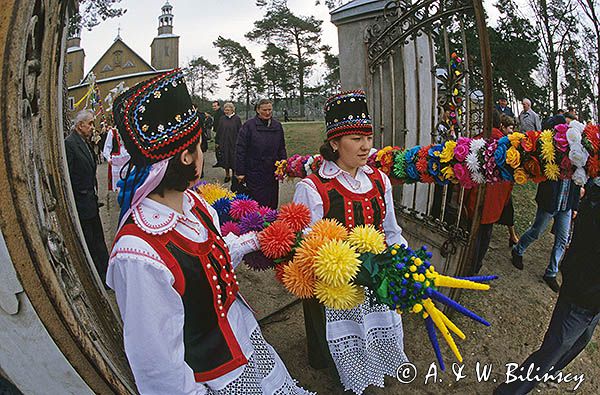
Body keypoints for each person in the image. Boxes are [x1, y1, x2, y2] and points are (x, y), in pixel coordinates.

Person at [107, 69, 312, 395]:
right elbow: (159, 364)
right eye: (201, 147)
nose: (204, 154)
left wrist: (258, 238)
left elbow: (212, 259)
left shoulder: (194, 203)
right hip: (213, 375)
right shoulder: (139, 254)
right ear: (187, 156)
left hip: (241, 338)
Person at [293, 90, 408, 395]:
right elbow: (306, 245)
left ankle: (374, 367)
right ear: (334, 143)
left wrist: (402, 262)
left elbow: (390, 229)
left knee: (376, 329)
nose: (366, 146)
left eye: (368, 137)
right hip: (338, 286)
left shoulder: (379, 180)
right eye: (356, 139)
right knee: (343, 339)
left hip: (376, 279)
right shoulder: (314, 187)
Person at [494, 182, 600, 395]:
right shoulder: (594, 206)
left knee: (579, 341)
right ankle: (511, 391)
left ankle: (549, 372)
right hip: (582, 295)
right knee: (555, 348)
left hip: (593, 300)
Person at [511, 136, 582, 292]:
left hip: (566, 206)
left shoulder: (579, 160)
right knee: (537, 231)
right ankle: (518, 250)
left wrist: (575, 206)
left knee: (562, 239)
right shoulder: (553, 155)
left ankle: (551, 273)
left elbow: (577, 184)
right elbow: (543, 178)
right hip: (550, 203)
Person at [64, 109, 109, 284]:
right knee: (91, 243)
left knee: (99, 241)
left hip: (90, 201)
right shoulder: (70, 144)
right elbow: (68, 176)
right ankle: (100, 278)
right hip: (82, 205)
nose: (92, 127)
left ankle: (107, 275)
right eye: (90, 123)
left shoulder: (83, 142)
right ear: (80, 125)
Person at [465, 111, 514, 273]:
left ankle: (467, 266)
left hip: (477, 200)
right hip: (496, 203)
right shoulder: (508, 146)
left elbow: (467, 177)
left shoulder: (477, 143)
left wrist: (462, 200)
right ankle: (476, 266)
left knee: (473, 235)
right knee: (486, 234)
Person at [235, 98, 287, 208]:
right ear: (258, 110)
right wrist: (240, 172)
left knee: (272, 202)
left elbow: (281, 147)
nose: (267, 113)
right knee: (257, 203)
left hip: (272, 171)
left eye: (270, 110)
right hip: (255, 171)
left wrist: (283, 162)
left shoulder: (277, 126)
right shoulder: (248, 126)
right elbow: (240, 149)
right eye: (264, 110)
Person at [496, 114, 519, 246]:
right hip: (500, 183)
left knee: (508, 209)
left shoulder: (506, 139)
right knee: (508, 209)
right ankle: (512, 236)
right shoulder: (500, 141)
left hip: (503, 183)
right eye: (510, 128)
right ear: (502, 127)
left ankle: (512, 235)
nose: (512, 131)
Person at [216, 102, 242, 183]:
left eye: (228, 110)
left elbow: (240, 131)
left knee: (233, 159)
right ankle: (227, 175)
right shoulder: (222, 119)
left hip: (234, 143)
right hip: (224, 142)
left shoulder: (237, 119)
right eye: (225, 110)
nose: (226, 111)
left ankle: (234, 174)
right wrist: (217, 141)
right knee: (225, 159)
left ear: (232, 109)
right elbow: (219, 131)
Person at [102, 124, 130, 191]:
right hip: (117, 161)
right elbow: (107, 147)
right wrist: (108, 158)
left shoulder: (128, 130)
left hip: (128, 160)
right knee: (118, 184)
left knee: (128, 182)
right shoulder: (112, 132)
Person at [212, 100, 225, 168]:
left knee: (219, 147)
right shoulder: (216, 113)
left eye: (215, 106)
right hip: (216, 131)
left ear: (219, 106)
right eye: (213, 106)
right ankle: (219, 161)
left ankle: (222, 162)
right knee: (217, 148)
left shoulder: (221, 113)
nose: (214, 107)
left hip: (221, 132)